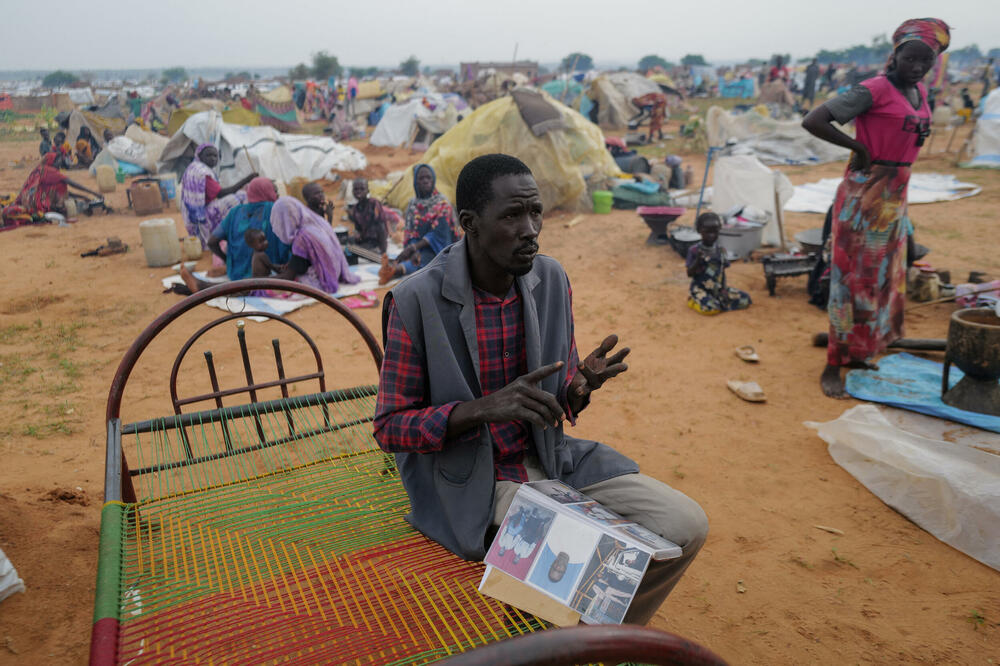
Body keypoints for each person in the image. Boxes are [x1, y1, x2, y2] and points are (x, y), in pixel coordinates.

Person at [373, 154, 708, 625]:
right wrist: (479, 410)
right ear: (469, 223)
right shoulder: (415, 300)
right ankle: (559, 638)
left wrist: (578, 389)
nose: (530, 229)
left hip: (552, 459)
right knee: (574, 551)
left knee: (685, 525)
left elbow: (553, 400)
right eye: (512, 215)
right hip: (472, 478)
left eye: (536, 213)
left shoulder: (550, 279)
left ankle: (600, 639)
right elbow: (389, 429)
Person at [802, 18, 949, 398]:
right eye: (910, 58)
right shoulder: (874, 89)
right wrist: (860, 148)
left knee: (882, 281)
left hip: (895, 195)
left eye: (925, 61)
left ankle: (861, 350)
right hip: (864, 194)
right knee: (850, 282)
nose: (917, 67)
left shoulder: (917, 93)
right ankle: (834, 363)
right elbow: (815, 119)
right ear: (895, 54)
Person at [378, 164, 459, 284]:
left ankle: (395, 270)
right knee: (408, 259)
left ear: (433, 180)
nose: (425, 181)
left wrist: (414, 248)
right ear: (416, 182)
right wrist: (412, 249)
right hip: (417, 247)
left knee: (426, 262)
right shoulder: (413, 204)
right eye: (421, 178)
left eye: (428, 178)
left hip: (440, 249)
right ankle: (391, 269)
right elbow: (411, 232)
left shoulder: (442, 203)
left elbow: (439, 235)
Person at [269, 196, 361, 292]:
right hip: (336, 272)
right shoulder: (318, 222)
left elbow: (289, 276)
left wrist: (257, 281)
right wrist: (291, 264)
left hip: (323, 279)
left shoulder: (302, 238)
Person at [207, 176, 289, 280]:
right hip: (268, 275)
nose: (277, 194)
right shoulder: (274, 209)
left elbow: (212, 241)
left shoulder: (235, 212)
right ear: (266, 191)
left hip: (235, 275)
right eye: (274, 190)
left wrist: (228, 261)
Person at [181, 143, 258, 249]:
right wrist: (247, 179)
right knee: (242, 197)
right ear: (200, 156)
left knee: (240, 194)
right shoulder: (203, 173)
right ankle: (235, 231)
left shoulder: (194, 167)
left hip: (191, 216)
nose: (213, 159)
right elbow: (222, 193)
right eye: (208, 155)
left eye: (215, 156)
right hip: (202, 216)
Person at [1, 153, 101, 227]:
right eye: (58, 161)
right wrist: (93, 193)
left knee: (62, 188)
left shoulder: (41, 170)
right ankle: (60, 208)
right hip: (34, 204)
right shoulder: (49, 170)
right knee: (65, 197)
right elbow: (71, 183)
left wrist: (84, 197)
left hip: (27, 200)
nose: (60, 163)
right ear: (52, 161)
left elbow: (59, 191)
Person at [685, 212, 752, 315]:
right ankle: (693, 301)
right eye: (707, 232)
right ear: (699, 230)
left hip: (717, 289)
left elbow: (722, 272)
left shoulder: (721, 250)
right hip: (700, 289)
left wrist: (724, 289)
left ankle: (719, 304)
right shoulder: (694, 250)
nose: (711, 235)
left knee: (746, 299)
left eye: (715, 232)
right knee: (711, 309)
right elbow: (689, 273)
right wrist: (697, 260)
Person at [346, 179, 389, 254]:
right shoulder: (356, 209)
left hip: (376, 242)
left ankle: (375, 251)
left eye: (362, 189)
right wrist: (357, 234)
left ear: (368, 191)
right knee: (345, 241)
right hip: (365, 241)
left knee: (351, 251)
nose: (359, 191)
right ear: (352, 192)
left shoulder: (373, 204)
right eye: (356, 189)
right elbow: (358, 229)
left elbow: (381, 227)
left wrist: (383, 251)